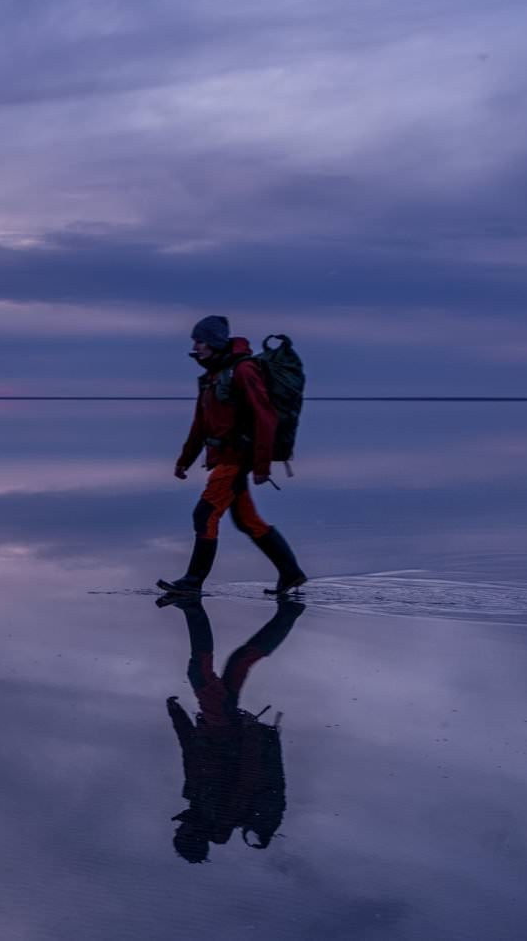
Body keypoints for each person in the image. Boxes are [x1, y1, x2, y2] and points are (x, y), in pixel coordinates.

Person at [159, 315, 307, 596]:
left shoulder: (243, 370)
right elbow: (200, 424)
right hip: (225, 457)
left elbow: (265, 417)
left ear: (214, 342)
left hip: (237, 458)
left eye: (200, 341)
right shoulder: (212, 376)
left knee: (205, 514)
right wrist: (184, 461)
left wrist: (262, 465)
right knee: (247, 520)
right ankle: (291, 573)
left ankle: (192, 582)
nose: (195, 346)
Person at [159, 595, 304, 863]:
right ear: (195, 836)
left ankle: (290, 612)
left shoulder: (197, 801)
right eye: (183, 833)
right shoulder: (222, 812)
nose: (180, 828)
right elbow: (248, 774)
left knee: (239, 662)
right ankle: (192, 606)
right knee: (200, 673)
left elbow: (190, 752)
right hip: (225, 727)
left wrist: (176, 714)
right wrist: (252, 735)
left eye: (179, 832)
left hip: (218, 726)